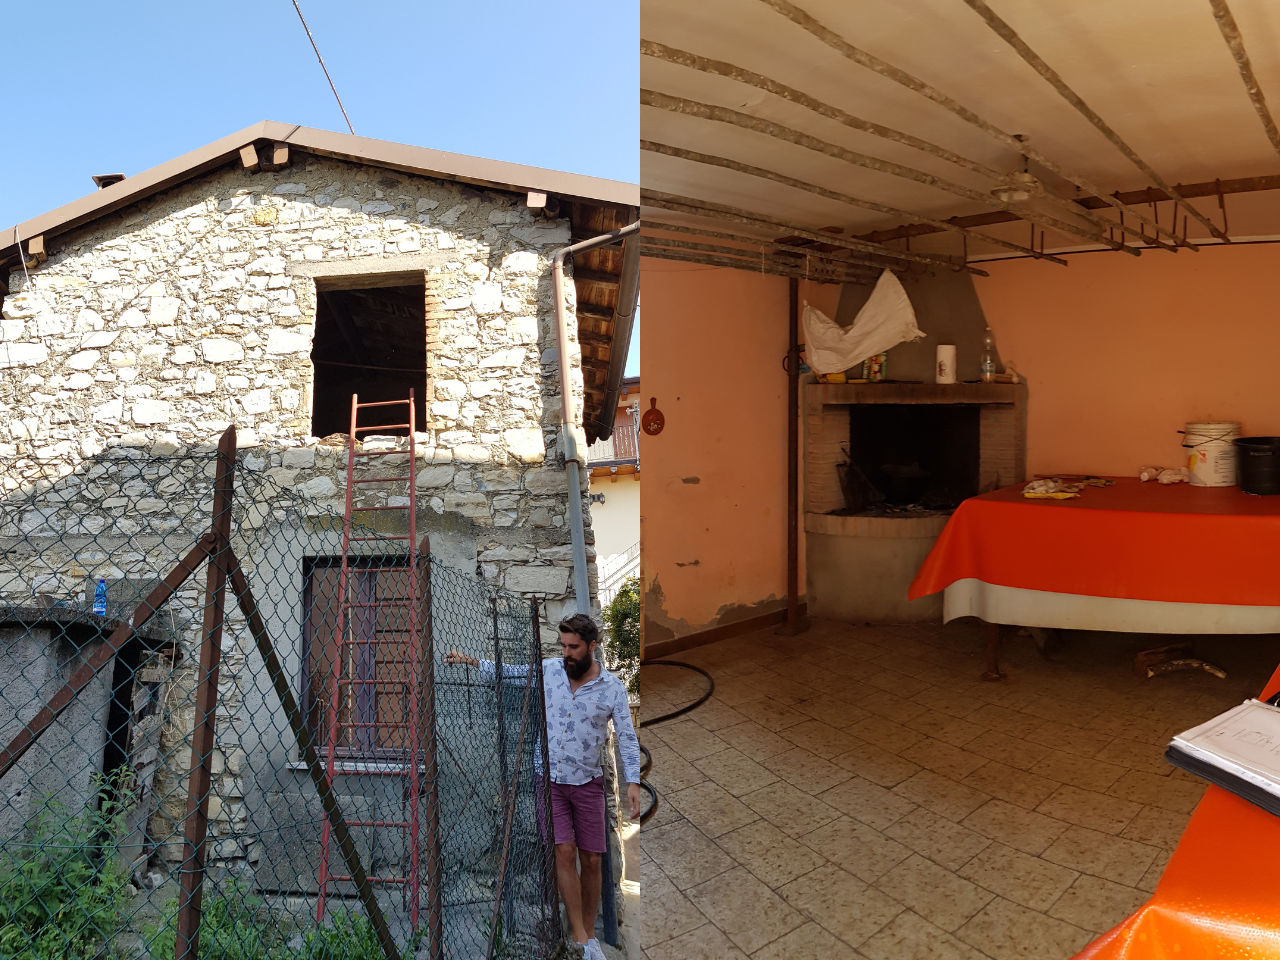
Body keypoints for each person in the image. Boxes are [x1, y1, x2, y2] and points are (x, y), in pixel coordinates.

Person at [445, 612, 641, 960]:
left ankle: (589, 932)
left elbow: (626, 736)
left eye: (573, 647)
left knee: (593, 859)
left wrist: (633, 782)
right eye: (563, 645)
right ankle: (581, 937)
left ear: (591, 647)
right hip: (547, 779)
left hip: (588, 783)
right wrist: (470, 661)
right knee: (563, 852)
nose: (566, 653)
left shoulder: (611, 687)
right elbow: (509, 674)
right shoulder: (550, 670)